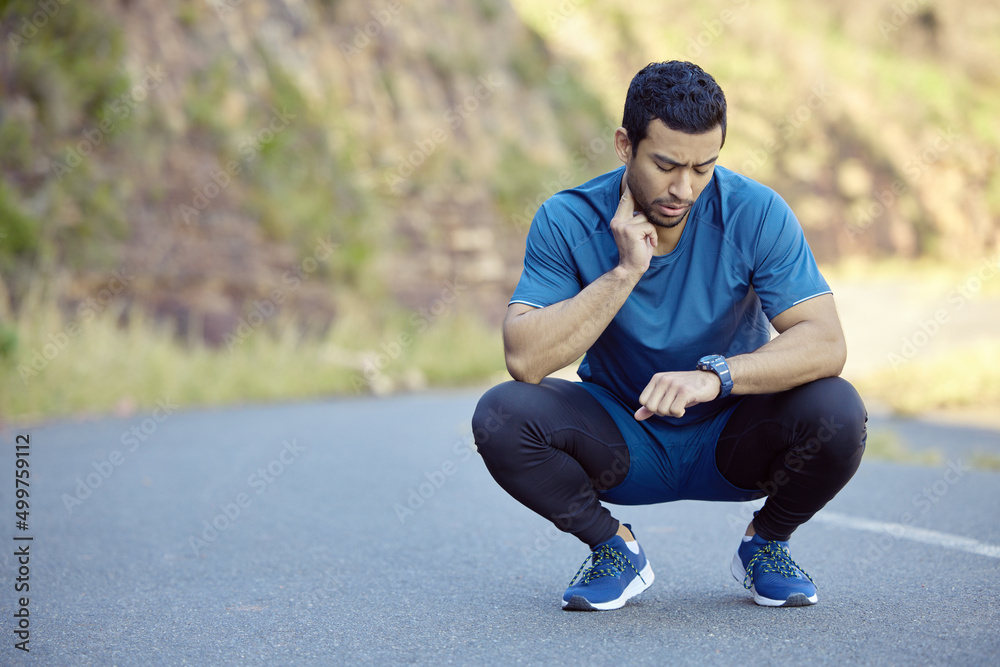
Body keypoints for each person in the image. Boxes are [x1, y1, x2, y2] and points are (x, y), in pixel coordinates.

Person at [472, 60, 867, 611]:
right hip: (624, 436)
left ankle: (768, 544)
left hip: (733, 435)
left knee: (839, 408)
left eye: (704, 167)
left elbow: (826, 341)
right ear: (624, 145)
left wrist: (717, 376)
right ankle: (612, 549)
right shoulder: (567, 218)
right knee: (502, 414)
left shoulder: (756, 212)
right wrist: (624, 273)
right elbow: (525, 359)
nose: (684, 188)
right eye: (665, 164)